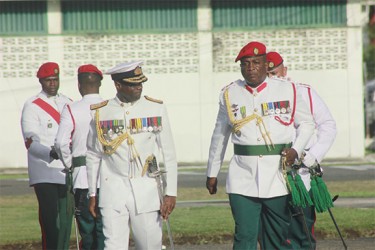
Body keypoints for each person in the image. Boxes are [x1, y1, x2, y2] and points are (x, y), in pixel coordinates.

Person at [206, 41, 315, 250]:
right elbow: (220, 135)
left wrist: (296, 149)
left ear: (266, 65)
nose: (251, 67)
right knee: (244, 236)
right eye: (245, 63)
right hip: (242, 177)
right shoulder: (229, 93)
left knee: (276, 237)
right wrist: (212, 172)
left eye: (256, 62)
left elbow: (308, 124)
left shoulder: (287, 89)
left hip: (278, 177)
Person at [85, 60, 178, 249]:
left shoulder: (155, 108)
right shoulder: (101, 112)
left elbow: (169, 154)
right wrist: (93, 193)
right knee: (113, 246)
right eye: (133, 84)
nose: (139, 87)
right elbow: (93, 155)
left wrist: (171, 193)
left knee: (149, 245)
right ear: (118, 85)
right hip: (113, 190)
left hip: (146, 190)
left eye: (140, 83)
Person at [267, 51, 337, 250]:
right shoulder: (259, 97)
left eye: (275, 72)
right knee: (274, 233)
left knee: (302, 231)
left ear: (285, 70)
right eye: (268, 74)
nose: (273, 78)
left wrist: (312, 156)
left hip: (301, 174)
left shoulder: (303, 92)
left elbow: (328, 125)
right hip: (270, 174)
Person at [20, 62, 73, 250]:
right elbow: (30, 141)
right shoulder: (32, 106)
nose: (52, 83)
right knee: (51, 223)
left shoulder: (68, 102)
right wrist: (50, 153)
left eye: (55, 79)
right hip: (44, 170)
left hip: (66, 170)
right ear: (41, 81)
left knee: (67, 222)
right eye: (48, 80)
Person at [55, 64, 105, 250]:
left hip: (83, 178)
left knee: (87, 232)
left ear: (79, 85)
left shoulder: (71, 109)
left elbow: (60, 142)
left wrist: (70, 164)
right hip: (108, 178)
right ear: (100, 84)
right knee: (106, 232)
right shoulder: (110, 106)